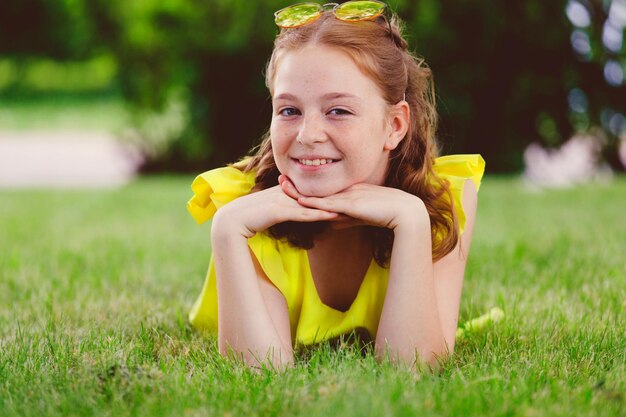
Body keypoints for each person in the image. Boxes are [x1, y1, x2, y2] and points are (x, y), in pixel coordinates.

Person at [186, 1, 485, 370]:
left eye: (338, 111)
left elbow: (413, 367)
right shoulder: (247, 205)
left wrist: (410, 219)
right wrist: (227, 230)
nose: (308, 135)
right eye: (289, 110)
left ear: (394, 125)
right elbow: (260, 371)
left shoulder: (442, 198)